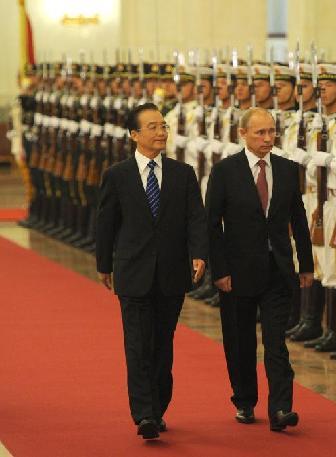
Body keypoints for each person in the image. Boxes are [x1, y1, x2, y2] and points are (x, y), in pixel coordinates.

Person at [95, 102, 208, 440]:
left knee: (162, 343)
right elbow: (106, 222)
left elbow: (195, 218)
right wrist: (104, 263)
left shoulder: (182, 173)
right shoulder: (117, 175)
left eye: (163, 126)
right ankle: (144, 413)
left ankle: (158, 408)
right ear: (134, 134)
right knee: (137, 344)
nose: (161, 132)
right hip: (133, 272)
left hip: (172, 274)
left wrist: (199, 253)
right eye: (152, 127)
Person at [206, 107, 314, 432]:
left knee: (276, 342)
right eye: (260, 133)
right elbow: (211, 225)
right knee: (240, 342)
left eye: (272, 132)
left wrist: (305, 264)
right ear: (243, 134)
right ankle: (244, 400)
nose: (268, 138)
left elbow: (298, 219)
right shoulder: (225, 171)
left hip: (278, 270)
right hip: (237, 273)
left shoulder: (287, 169)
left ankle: (281, 408)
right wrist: (220, 270)